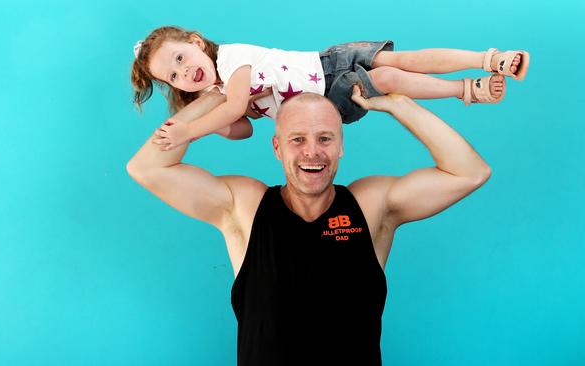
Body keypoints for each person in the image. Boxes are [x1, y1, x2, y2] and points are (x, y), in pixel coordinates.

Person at [126, 86, 492, 365]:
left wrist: (400, 105)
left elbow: (470, 172)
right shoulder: (245, 207)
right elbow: (148, 168)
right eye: (297, 139)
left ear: (341, 146)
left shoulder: (371, 205)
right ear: (277, 147)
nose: (312, 152)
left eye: (325, 139)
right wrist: (220, 95)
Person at [130, 25, 529, 150]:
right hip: (323, 100)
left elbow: (236, 106)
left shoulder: (232, 57)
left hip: (326, 61)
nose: (184, 74)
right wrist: (209, 116)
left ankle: (487, 59)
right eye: (174, 77)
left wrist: (187, 129)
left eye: (181, 59)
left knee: (397, 60)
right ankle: (466, 90)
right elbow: (242, 128)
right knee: (386, 82)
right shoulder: (215, 96)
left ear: (196, 42)